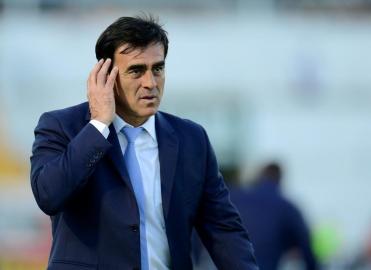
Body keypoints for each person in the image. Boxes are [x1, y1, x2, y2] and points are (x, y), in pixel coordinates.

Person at [30, 16, 258, 270]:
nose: (150, 83)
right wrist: (98, 126)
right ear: (106, 75)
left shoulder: (192, 139)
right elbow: (49, 195)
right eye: (137, 71)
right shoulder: (63, 126)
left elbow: (224, 230)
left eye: (157, 69)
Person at [229, 162, 318, 270]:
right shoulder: (287, 208)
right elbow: (307, 247)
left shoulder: (234, 198)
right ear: (280, 180)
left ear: (260, 176)